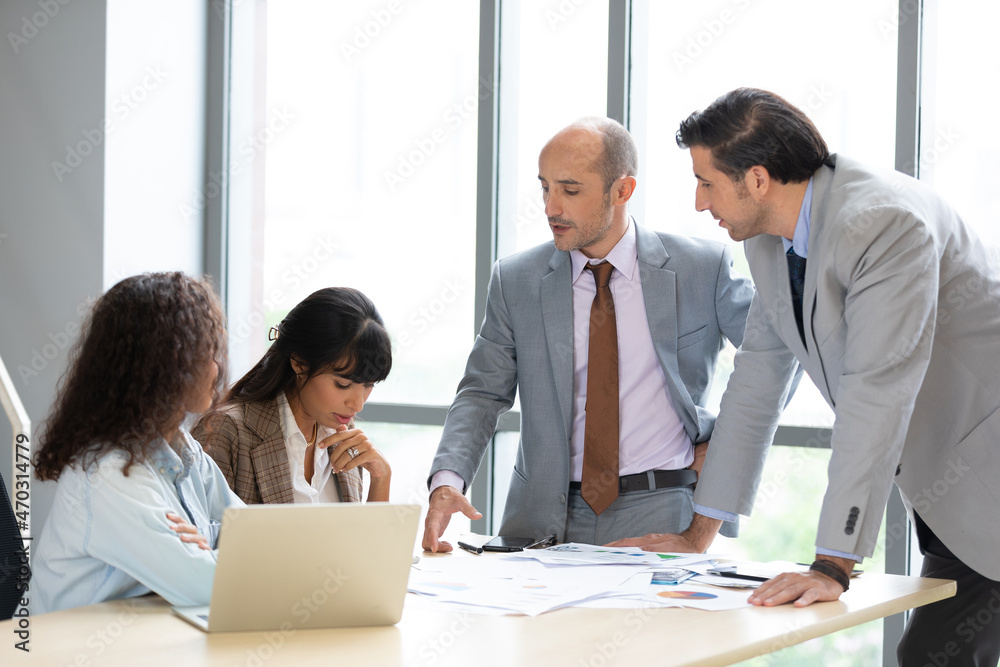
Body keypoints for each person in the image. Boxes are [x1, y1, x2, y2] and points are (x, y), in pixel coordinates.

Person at [616, 88, 1000, 666]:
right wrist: (699, 535)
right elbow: (757, 382)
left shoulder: (883, 222)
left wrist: (832, 564)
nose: (699, 202)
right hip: (959, 498)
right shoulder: (773, 240)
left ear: (758, 179)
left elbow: (877, 391)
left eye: (706, 182)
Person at [422, 117, 754, 551]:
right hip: (540, 519)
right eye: (545, 188)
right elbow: (482, 393)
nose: (550, 207)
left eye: (570, 190)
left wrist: (727, 440)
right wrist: (447, 480)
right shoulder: (516, 280)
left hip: (663, 507)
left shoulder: (702, 269)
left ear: (622, 191)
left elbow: (777, 355)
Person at [32, 272, 243, 613]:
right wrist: (210, 554)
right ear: (163, 366)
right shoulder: (108, 472)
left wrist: (208, 550)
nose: (218, 369)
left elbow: (257, 534)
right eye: (207, 353)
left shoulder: (184, 450)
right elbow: (206, 585)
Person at [193, 287, 392, 505]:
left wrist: (381, 477)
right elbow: (201, 534)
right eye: (343, 384)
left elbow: (363, 539)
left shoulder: (344, 435)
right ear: (298, 362)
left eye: (369, 385)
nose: (357, 404)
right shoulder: (226, 432)